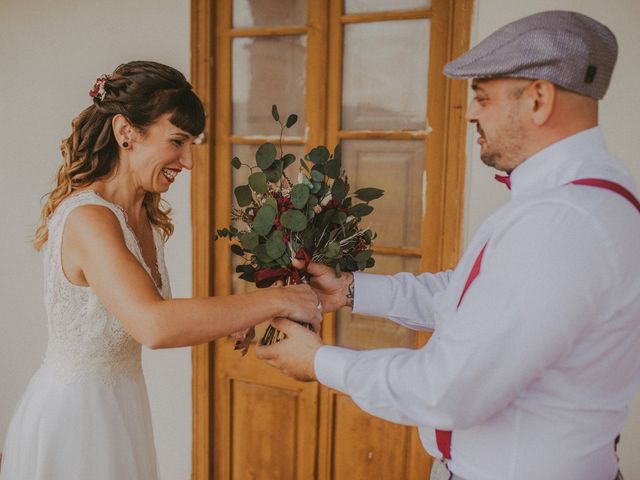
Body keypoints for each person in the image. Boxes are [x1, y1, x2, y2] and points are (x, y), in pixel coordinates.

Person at [256, 11, 639, 480]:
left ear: (539, 99)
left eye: (482, 97)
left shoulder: (563, 222)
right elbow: (469, 298)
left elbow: (449, 388)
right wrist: (353, 290)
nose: (471, 112)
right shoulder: (579, 200)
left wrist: (318, 361)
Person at [0, 61, 322, 480]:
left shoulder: (144, 217)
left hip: (121, 405)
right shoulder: (89, 219)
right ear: (125, 132)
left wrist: (246, 315)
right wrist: (276, 298)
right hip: (76, 420)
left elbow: (142, 312)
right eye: (177, 141)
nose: (188, 161)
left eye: (192, 144)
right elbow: (154, 325)